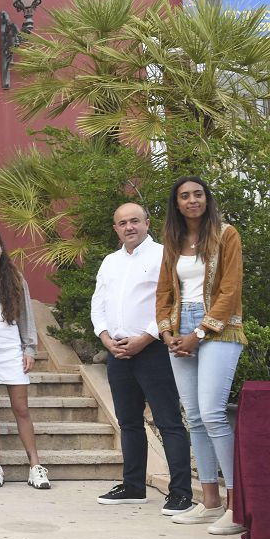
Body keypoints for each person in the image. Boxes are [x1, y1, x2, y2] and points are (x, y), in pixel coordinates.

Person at [91, 203, 193, 515]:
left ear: (147, 223)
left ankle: (180, 493)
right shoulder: (110, 262)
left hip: (153, 349)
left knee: (168, 421)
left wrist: (146, 338)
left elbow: (171, 301)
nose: (129, 227)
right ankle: (133, 485)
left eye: (135, 221)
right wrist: (106, 338)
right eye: (122, 223)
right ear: (116, 228)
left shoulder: (164, 254)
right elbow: (99, 303)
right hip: (117, 352)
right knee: (129, 422)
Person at [157, 177, 246, 534]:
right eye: (184, 196)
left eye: (198, 194)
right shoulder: (173, 240)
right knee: (193, 416)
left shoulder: (227, 234)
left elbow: (229, 289)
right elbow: (164, 291)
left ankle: (235, 506)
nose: (192, 200)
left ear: (207, 199)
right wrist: (167, 334)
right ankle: (209, 501)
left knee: (212, 413)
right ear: (176, 204)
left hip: (219, 329)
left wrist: (197, 334)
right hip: (180, 330)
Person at [0, 227, 50, 491]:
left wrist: (29, 349)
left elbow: (27, 316)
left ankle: (35, 466)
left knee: (21, 408)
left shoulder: (15, 278)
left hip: (10, 347)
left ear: (1, 249)